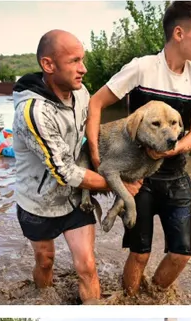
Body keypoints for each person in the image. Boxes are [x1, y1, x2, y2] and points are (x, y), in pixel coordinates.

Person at [86, 1, 191, 296]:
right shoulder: (142, 68)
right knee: (139, 253)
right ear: (179, 33)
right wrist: (95, 158)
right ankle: (130, 301)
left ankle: (153, 297)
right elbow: (96, 103)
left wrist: (171, 149)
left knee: (181, 254)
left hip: (176, 177)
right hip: (138, 177)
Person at [12, 30, 143, 304]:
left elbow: (95, 133)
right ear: (48, 65)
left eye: (82, 59)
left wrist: (130, 158)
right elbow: (65, 173)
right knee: (46, 261)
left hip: (75, 200)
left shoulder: (81, 92)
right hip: (38, 203)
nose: (83, 69)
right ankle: (44, 301)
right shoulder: (34, 113)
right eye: (74, 61)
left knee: (87, 266)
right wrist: (118, 185)